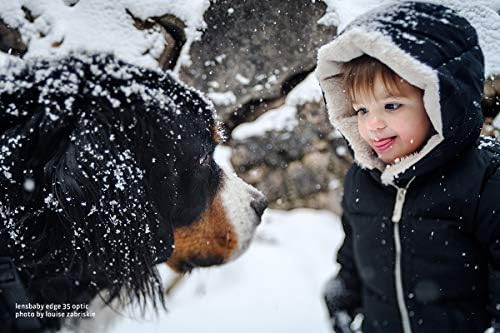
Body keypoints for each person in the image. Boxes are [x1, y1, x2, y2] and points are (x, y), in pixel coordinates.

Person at [315, 2, 500, 333]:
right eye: (360, 110)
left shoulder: (484, 178)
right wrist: (345, 291)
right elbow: (355, 250)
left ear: (440, 100)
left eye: (391, 105)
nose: (372, 125)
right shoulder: (361, 179)